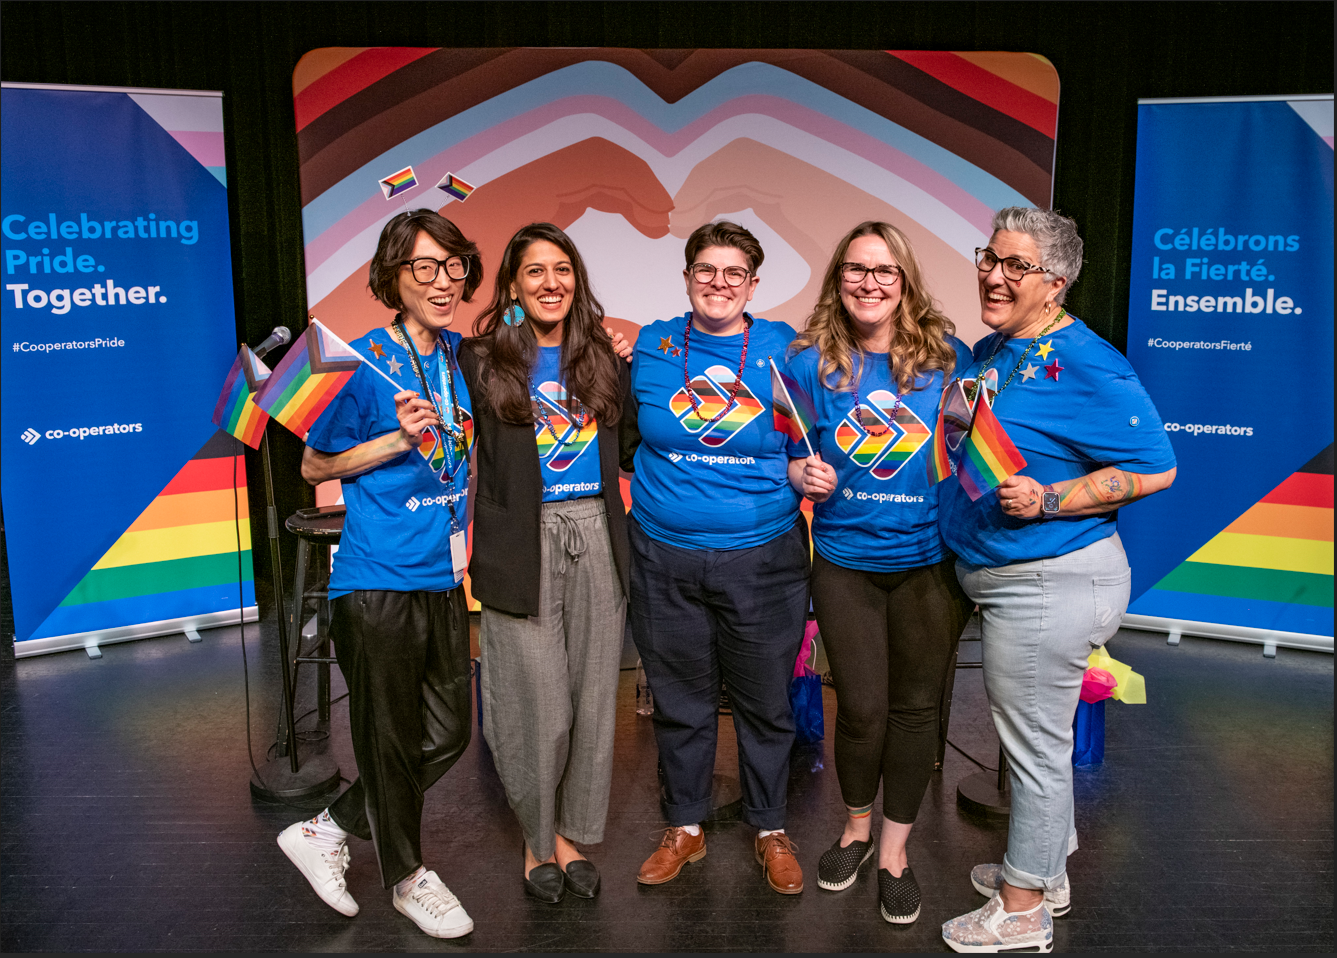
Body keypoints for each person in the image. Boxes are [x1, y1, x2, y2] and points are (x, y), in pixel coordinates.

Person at [937, 208, 1176, 953]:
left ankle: (1020, 911)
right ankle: (1046, 874)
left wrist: (1049, 499)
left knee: (1034, 750)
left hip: (1051, 580)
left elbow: (1156, 468)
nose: (992, 274)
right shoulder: (997, 347)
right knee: (1031, 743)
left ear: (1055, 283)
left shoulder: (1089, 362)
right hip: (1011, 577)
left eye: (1014, 266)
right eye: (988, 258)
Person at [276, 209, 481, 939]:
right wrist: (396, 438)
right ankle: (407, 877)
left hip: (438, 578)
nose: (442, 281)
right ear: (392, 278)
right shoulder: (360, 367)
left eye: (452, 265)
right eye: (423, 267)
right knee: (388, 738)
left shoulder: (459, 355)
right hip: (374, 581)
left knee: (450, 733)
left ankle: (326, 827)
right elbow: (313, 465)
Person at [783, 221, 975, 924]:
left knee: (915, 709)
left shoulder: (947, 360)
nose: (869, 282)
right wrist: (796, 471)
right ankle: (855, 830)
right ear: (837, 279)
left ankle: (894, 851)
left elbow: (974, 456)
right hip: (843, 562)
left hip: (928, 563)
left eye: (884, 270)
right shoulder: (809, 365)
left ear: (904, 283)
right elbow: (785, 448)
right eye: (856, 270)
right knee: (861, 710)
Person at [624, 221, 809, 894]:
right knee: (680, 701)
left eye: (734, 273)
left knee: (764, 703)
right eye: (706, 269)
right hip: (661, 554)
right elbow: (623, 431)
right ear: (686, 277)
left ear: (753, 284)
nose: (719, 283)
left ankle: (768, 827)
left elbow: (800, 448)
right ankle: (685, 827)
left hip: (762, 557)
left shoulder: (783, 349)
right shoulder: (652, 343)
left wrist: (807, 479)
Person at [458, 223, 631, 904]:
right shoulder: (478, 359)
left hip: (595, 533)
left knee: (592, 700)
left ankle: (568, 831)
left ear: (576, 281)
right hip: (518, 540)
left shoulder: (604, 361)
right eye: (534, 271)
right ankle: (537, 839)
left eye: (561, 270)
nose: (550, 283)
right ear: (511, 285)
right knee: (536, 704)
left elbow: (637, 441)